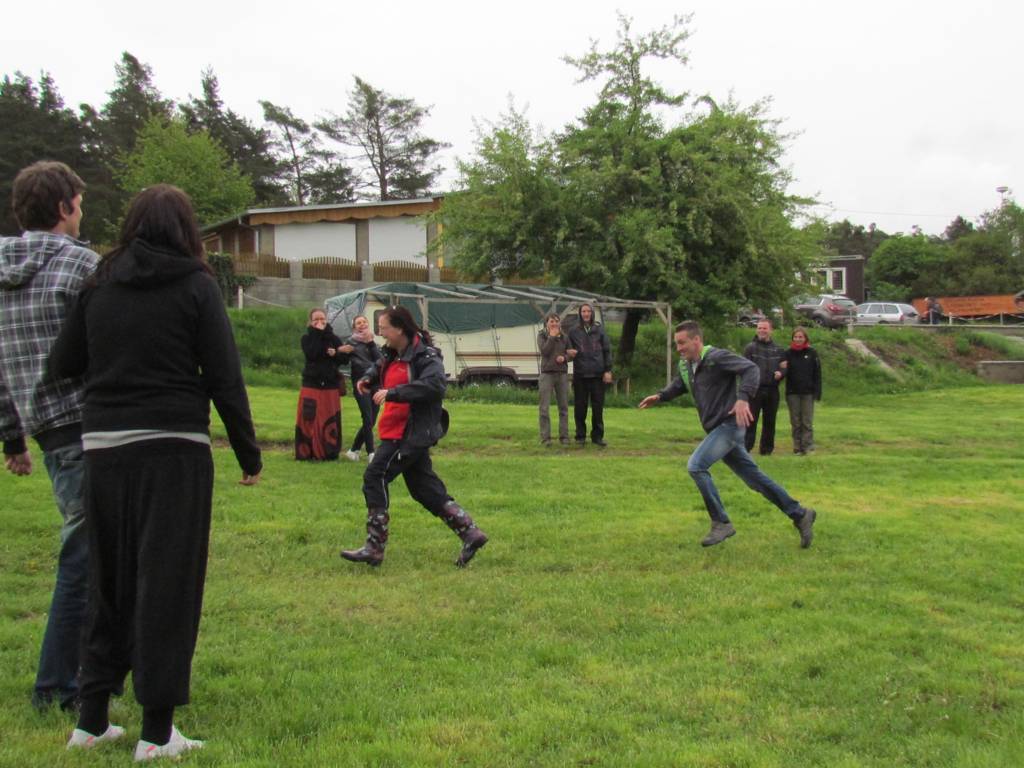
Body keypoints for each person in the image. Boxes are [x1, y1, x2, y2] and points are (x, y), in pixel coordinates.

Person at [49, 184, 262, 759]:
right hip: (173, 450)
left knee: (108, 583)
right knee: (166, 585)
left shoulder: (99, 283)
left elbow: (63, 364)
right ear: (186, 229)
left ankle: (91, 721)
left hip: (104, 451)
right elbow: (224, 375)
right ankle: (157, 733)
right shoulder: (196, 285)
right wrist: (248, 454)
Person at [0, 161, 97, 713]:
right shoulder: (82, 265)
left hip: (43, 430)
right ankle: (58, 685)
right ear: (64, 208)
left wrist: (12, 438)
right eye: (79, 206)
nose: (81, 215)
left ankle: (94, 670)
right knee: (84, 559)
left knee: (89, 551)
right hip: (87, 422)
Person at [639, 321, 817, 548]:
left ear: (696, 340)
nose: (679, 348)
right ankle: (800, 514)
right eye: (676, 344)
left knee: (696, 466)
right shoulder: (687, 365)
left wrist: (743, 398)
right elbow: (680, 384)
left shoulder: (716, 357)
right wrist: (660, 396)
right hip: (717, 428)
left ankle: (721, 522)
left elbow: (751, 369)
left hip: (730, 425)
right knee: (754, 478)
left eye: (682, 343)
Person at [340, 305, 488, 568]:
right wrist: (368, 378)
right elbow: (379, 365)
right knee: (424, 489)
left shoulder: (426, 356)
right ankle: (470, 533)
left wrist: (394, 393)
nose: (380, 333)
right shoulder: (392, 352)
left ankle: (374, 547)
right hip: (395, 430)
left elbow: (434, 385)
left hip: (409, 434)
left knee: (375, 476)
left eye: (384, 328)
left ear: (400, 329)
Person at [295, 308, 343, 461]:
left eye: (322, 319)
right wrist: (317, 333)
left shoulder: (334, 339)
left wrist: (336, 354)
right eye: (316, 319)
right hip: (311, 383)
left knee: (329, 418)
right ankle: (306, 452)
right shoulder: (306, 338)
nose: (320, 322)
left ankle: (328, 452)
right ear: (310, 322)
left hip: (330, 384)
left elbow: (344, 359)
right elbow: (312, 354)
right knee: (309, 417)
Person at [567, 303, 612, 446]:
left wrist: (608, 370)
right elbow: (567, 348)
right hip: (580, 374)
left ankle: (597, 436)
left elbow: (607, 350)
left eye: (588, 311)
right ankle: (580, 436)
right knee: (580, 407)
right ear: (580, 313)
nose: (586, 314)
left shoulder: (599, 330)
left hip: (598, 374)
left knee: (598, 407)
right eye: (583, 311)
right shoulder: (573, 331)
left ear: (592, 313)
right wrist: (568, 352)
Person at [341, 314, 382, 463]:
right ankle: (371, 453)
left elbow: (379, 360)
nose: (362, 324)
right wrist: (341, 351)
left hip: (375, 383)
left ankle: (354, 450)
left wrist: (370, 343)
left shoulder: (373, 341)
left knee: (372, 420)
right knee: (367, 417)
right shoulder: (350, 342)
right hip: (360, 383)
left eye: (364, 322)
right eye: (358, 323)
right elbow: (343, 360)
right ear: (354, 327)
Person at [742, 319, 785, 456]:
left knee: (770, 421)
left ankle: (766, 450)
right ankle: (746, 448)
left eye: (764, 328)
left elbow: (784, 367)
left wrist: (781, 373)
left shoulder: (778, 349)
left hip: (772, 389)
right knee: (751, 420)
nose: (761, 331)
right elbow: (744, 368)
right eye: (759, 328)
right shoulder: (750, 348)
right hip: (755, 390)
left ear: (770, 330)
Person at [780, 326, 822, 456]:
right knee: (795, 421)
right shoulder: (787, 353)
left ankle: (808, 446)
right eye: (796, 337)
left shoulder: (812, 353)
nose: (798, 339)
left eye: (800, 337)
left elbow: (817, 373)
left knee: (807, 421)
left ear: (805, 338)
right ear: (793, 338)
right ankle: (797, 447)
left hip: (808, 393)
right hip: (792, 392)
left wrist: (817, 391)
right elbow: (783, 371)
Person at [537, 312, 571, 445]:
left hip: (562, 374)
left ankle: (564, 437)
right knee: (544, 408)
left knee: (563, 407)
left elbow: (570, 353)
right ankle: (546, 438)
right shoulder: (542, 336)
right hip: (547, 374)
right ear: (547, 323)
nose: (554, 323)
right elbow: (544, 351)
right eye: (552, 321)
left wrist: (565, 358)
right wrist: (551, 337)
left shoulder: (565, 337)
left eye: (557, 321)